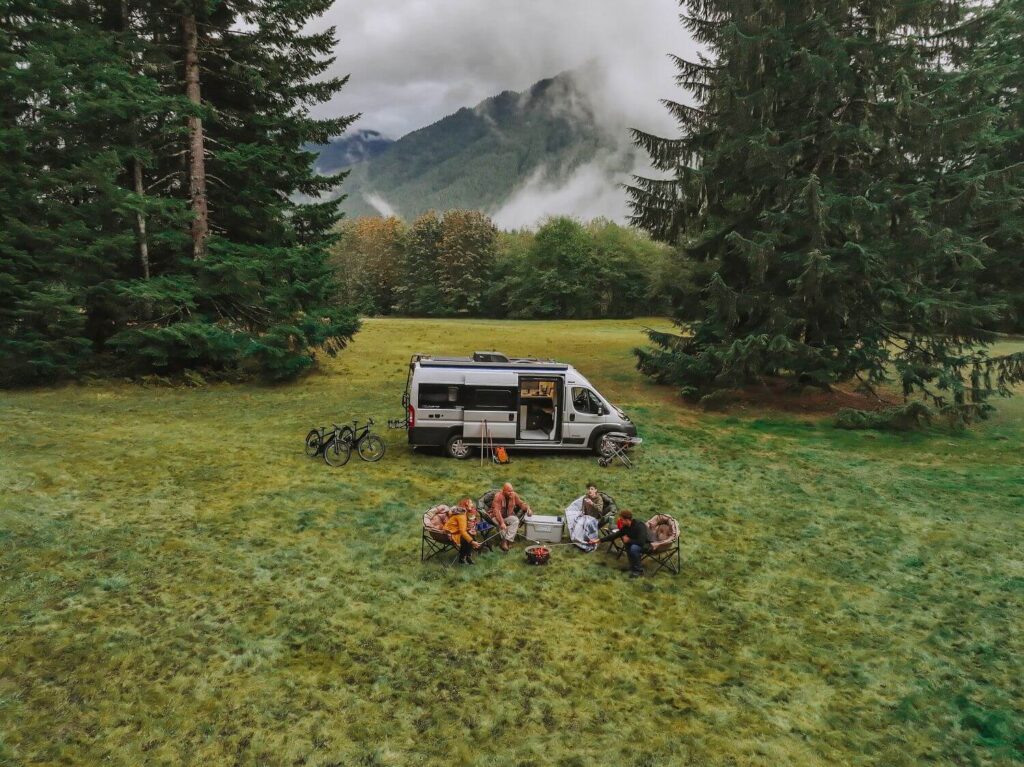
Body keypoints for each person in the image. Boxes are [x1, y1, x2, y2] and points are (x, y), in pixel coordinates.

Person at [589, 509, 650, 577]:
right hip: (635, 543)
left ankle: (638, 571)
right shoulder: (626, 527)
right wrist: (599, 540)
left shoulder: (639, 525)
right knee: (628, 544)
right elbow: (614, 535)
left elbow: (641, 542)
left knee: (633, 548)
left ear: (627, 520)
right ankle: (633, 567)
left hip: (647, 545)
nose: (620, 521)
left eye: (622, 520)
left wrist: (629, 540)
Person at [490, 482, 532, 552]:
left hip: (507, 516)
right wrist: (502, 522)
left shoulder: (513, 495)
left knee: (515, 520)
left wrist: (528, 509)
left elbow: (521, 504)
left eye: (512, 490)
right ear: (504, 491)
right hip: (496, 516)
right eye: (509, 491)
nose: (511, 492)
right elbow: (497, 511)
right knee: (501, 525)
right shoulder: (498, 497)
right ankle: (506, 542)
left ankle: (505, 541)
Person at [444, 498, 482, 564]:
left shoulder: (463, 512)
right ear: (466, 505)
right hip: (450, 534)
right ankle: (464, 557)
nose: (472, 505)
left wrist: (469, 530)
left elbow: (462, 527)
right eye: (471, 503)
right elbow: (462, 531)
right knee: (467, 538)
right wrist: (472, 542)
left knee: (470, 534)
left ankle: (465, 557)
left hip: (455, 531)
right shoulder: (461, 515)